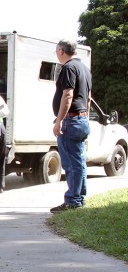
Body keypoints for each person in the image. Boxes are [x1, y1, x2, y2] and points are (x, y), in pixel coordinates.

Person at [50, 39, 91, 213]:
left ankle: (73, 201)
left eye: (56, 51)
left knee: (71, 164)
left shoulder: (68, 68)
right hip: (81, 120)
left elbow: (67, 95)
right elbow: (88, 98)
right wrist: (85, 117)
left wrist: (59, 120)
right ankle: (79, 197)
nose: (56, 54)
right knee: (79, 161)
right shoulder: (85, 69)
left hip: (71, 121)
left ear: (61, 50)